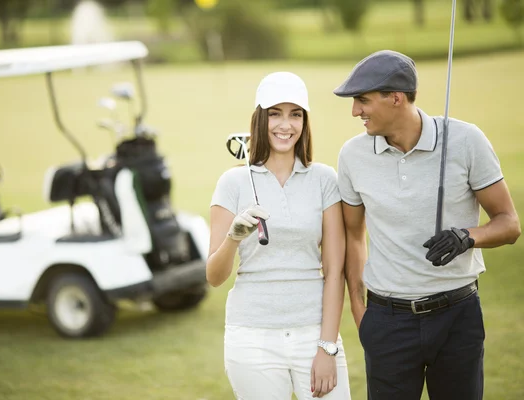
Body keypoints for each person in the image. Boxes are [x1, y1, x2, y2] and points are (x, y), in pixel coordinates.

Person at [333, 50, 521, 400]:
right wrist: (363, 316)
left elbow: (509, 223)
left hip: (457, 317)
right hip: (387, 321)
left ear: (395, 98)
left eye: (362, 100)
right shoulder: (352, 156)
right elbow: (353, 237)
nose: (355, 111)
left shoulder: (466, 141)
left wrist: (468, 237)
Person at [207, 71, 351, 399]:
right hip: (252, 338)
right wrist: (233, 236)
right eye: (275, 114)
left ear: (305, 121)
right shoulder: (233, 182)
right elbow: (214, 276)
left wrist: (327, 347)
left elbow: (334, 272)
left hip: (313, 333)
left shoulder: (324, 179)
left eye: (295, 114)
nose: (285, 125)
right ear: (261, 118)